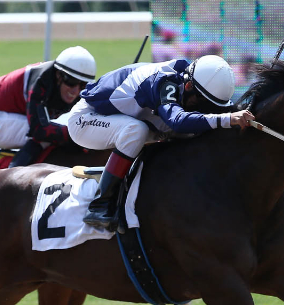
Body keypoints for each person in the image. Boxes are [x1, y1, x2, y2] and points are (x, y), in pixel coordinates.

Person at [67, 55, 255, 230]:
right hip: (85, 120)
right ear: (188, 86)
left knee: (185, 132)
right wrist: (226, 118)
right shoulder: (165, 82)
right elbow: (178, 120)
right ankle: (99, 205)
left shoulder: (192, 81)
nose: (203, 108)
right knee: (138, 130)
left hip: (121, 118)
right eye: (202, 102)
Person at [0, 46, 97, 167]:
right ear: (58, 75)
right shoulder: (40, 81)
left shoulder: (76, 89)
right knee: (46, 137)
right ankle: (12, 179)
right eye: (71, 81)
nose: (75, 91)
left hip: (10, 115)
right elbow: (39, 130)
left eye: (83, 85)